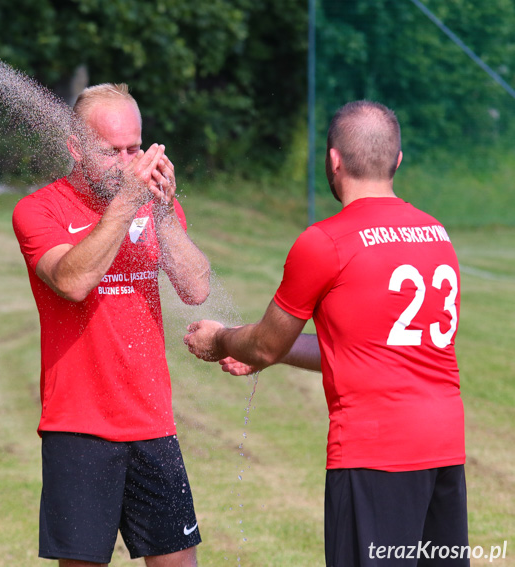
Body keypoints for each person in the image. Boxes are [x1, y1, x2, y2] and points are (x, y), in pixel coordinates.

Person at [184, 100, 468, 566]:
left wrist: (221, 340)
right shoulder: (436, 234)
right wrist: (268, 354)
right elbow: (364, 348)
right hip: (443, 451)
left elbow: (264, 342)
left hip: (374, 454)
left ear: (333, 160)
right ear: (398, 160)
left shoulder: (325, 242)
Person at [12, 83, 211, 567]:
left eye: (134, 148)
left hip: (152, 422)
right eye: (111, 151)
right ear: (76, 149)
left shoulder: (154, 203)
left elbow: (196, 287)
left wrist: (162, 213)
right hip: (78, 428)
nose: (127, 162)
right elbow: (73, 281)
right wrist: (126, 204)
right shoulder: (40, 209)